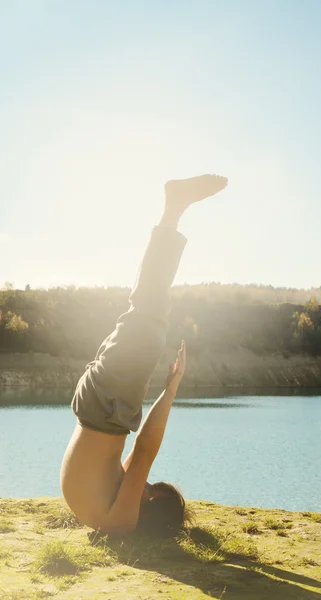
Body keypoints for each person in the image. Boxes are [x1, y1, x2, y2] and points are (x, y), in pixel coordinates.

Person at [60, 174, 228, 537]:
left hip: (107, 407)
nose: (145, 484)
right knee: (147, 317)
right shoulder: (111, 513)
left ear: (152, 505)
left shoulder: (121, 517)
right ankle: (173, 210)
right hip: (100, 405)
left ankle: (173, 207)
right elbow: (137, 456)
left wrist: (171, 391)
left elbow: (145, 448)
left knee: (149, 314)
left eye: (153, 489)